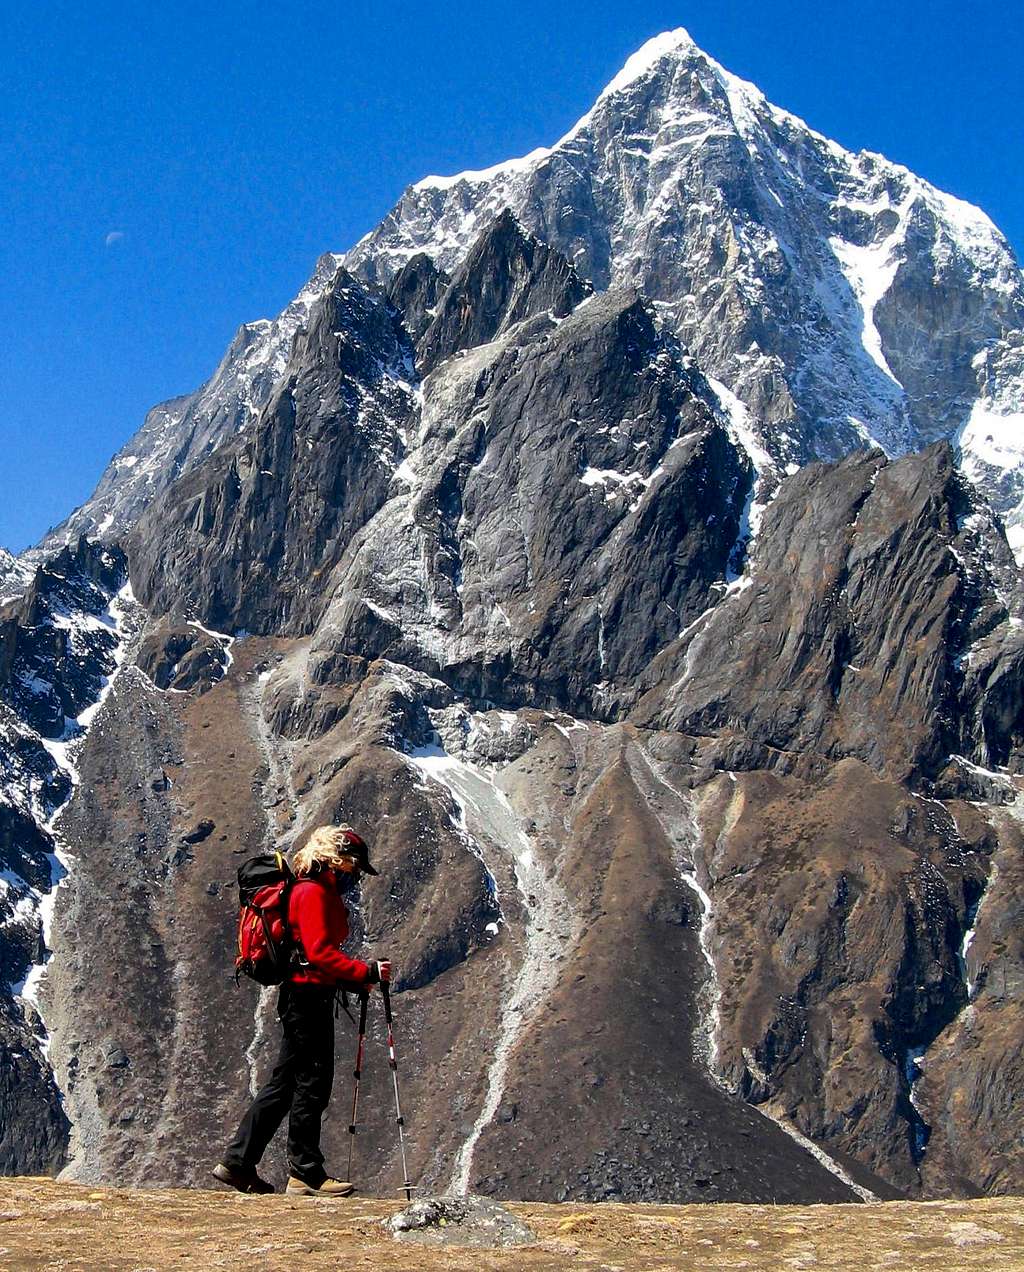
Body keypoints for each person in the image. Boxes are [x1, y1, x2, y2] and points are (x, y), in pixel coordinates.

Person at [213, 824, 390, 1196]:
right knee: (311, 1083)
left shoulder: (312, 890)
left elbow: (312, 954)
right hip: (308, 999)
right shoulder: (312, 893)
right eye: (352, 867)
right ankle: (305, 1172)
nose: (354, 876)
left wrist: (353, 979)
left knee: (285, 1084)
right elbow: (318, 953)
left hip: (303, 996)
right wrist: (365, 972)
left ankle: (238, 1163)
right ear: (336, 861)